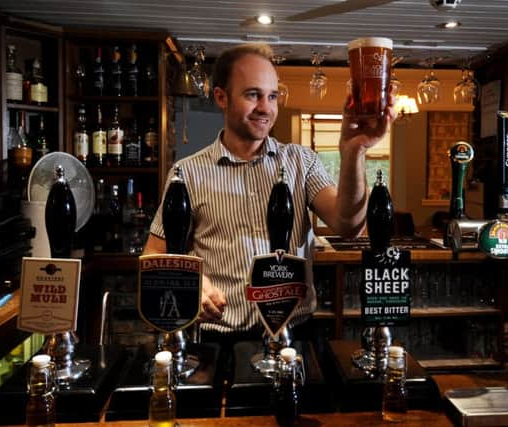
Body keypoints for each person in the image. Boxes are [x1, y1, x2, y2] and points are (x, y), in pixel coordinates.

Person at [144, 43, 396, 338]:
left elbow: (349, 225)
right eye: (253, 95)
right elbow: (153, 254)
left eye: (272, 96)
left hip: (295, 336)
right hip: (222, 339)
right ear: (221, 97)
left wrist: (354, 151)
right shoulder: (186, 173)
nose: (266, 107)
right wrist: (191, 282)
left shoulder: (301, 161)